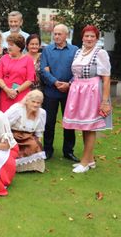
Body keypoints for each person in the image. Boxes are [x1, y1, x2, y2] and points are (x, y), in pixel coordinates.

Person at [63, 25, 112, 173]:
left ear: (97, 39)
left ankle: (84, 163)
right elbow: (76, 74)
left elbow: (106, 78)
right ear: (82, 37)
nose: (89, 39)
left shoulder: (100, 53)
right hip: (78, 90)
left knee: (90, 127)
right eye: (87, 36)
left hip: (92, 91)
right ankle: (90, 160)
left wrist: (104, 101)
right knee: (84, 126)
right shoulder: (79, 51)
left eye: (92, 36)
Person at [40, 24, 79, 161]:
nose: (56, 36)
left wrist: (69, 84)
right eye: (54, 34)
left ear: (66, 35)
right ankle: (48, 150)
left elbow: (78, 71)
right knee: (49, 122)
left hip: (69, 92)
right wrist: (56, 82)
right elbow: (43, 70)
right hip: (51, 92)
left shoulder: (75, 50)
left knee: (69, 123)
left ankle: (68, 151)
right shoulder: (47, 50)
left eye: (59, 34)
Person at [5, 90, 47, 173]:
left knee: (34, 144)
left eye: (38, 103)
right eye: (33, 102)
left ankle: (28, 167)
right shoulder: (17, 109)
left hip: (28, 137)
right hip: (13, 135)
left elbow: (39, 131)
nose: (35, 105)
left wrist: (39, 145)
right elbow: (4, 123)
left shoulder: (42, 113)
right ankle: (10, 166)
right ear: (27, 101)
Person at [0, 33, 35, 112]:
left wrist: (16, 91)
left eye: (12, 45)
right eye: (8, 44)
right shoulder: (4, 58)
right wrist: (7, 90)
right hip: (5, 94)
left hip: (21, 95)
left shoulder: (28, 60)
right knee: (4, 120)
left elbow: (30, 80)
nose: (9, 47)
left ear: (19, 47)